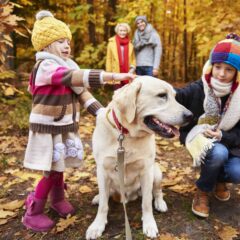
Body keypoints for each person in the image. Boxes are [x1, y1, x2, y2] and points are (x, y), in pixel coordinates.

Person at [22, 10, 136, 232]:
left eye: (68, 41)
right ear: (45, 46)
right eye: (60, 41)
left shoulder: (67, 66)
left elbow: (83, 93)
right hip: (47, 128)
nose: (67, 46)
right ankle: (33, 211)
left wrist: (104, 114)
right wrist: (112, 76)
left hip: (63, 125)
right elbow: (74, 78)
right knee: (51, 170)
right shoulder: (46, 67)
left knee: (60, 165)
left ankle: (57, 200)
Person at [176, 33, 240, 218]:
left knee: (237, 171)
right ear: (211, 66)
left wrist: (223, 136)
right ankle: (203, 190)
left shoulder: (239, 95)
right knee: (218, 153)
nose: (221, 73)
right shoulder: (199, 87)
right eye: (218, 67)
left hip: (232, 144)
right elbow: (177, 95)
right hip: (202, 139)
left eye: (228, 69)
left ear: (236, 73)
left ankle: (219, 178)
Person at [106, 23, 136, 89]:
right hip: (116, 71)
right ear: (117, 31)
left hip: (128, 71)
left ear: (127, 31)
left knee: (128, 92)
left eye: (124, 31)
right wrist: (108, 73)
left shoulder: (130, 43)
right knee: (118, 92)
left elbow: (133, 58)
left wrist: (133, 67)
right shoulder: (111, 42)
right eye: (121, 30)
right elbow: (109, 59)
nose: (122, 32)